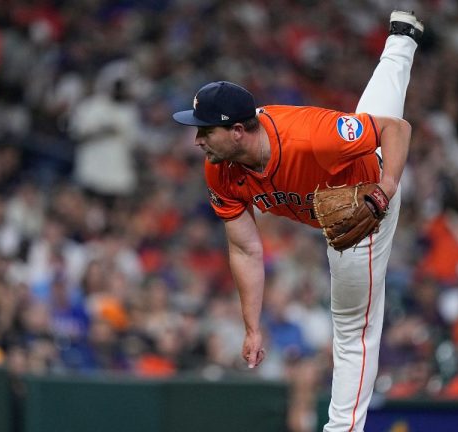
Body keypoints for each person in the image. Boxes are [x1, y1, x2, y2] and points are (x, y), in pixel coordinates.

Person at [173, 10, 423, 432]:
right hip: (344, 181)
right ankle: (402, 38)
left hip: (366, 202)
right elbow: (245, 247)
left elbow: (396, 130)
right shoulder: (220, 165)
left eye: (204, 130)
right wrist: (252, 328)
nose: (196, 139)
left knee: (352, 328)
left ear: (236, 131)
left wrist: (386, 188)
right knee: (371, 113)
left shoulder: (310, 136)